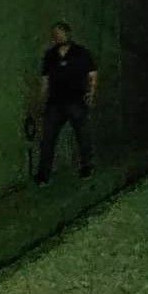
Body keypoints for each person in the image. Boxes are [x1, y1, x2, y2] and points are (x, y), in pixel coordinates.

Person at [35, 21, 98, 185]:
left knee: (83, 136)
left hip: (76, 101)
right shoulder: (50, 55)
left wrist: (91, 93)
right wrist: (41, 100)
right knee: (47, 138)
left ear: (68, 33)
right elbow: (45, 80)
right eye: (55, 33)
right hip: (55, 103)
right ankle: (43, 174)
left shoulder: (81, 52)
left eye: (61, 32)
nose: (58, 36)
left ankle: (86, 166)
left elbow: (92, 74)